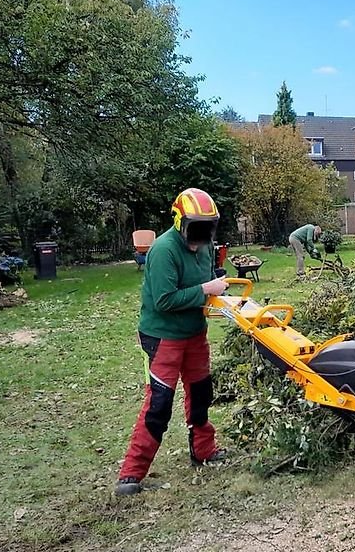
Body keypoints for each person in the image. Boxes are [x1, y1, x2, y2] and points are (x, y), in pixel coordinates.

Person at [115, 188, 228, 496]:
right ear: (181, 223)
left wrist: (218, 290)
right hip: (163, 335)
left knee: (202, 392)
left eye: (207, 229)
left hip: (194, 332)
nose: (200, 237)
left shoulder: (204, 245)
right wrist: (207, 286)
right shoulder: (163, 250)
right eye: (196, 229)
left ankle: (203, 450)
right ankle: (131, 474)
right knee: (160, 403)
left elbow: (205, 282)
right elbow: (165, 300)